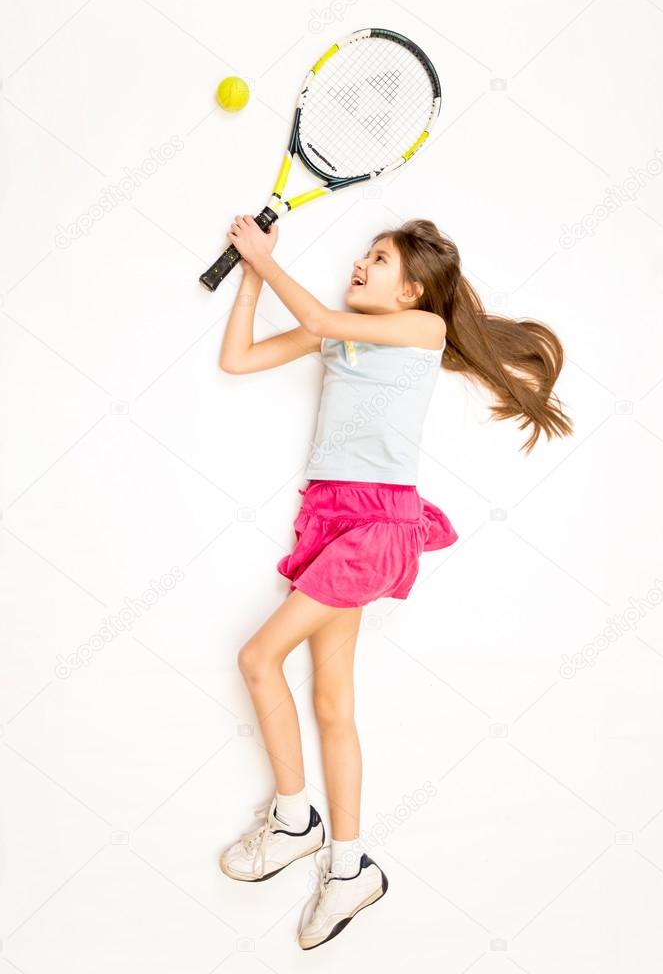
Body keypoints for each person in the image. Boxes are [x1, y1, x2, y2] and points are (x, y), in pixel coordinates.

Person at [216, 214, 573, 950]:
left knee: (257, 659)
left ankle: (292, 820)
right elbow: (238, 358)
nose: (359, 263)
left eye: (376, 259)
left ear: (410, 289)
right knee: (330, 702)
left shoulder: (421, 332)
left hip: (376, 524)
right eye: (364, 254)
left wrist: (261, 256)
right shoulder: (340, 331)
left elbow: (313, 313)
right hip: (326, 517)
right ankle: (347, 870)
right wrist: (252, 275)